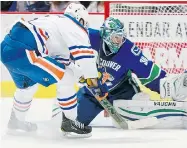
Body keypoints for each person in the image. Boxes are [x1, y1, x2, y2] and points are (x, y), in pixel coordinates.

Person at [75, 17, 187, 129]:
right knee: (74, 121)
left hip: (122, 91)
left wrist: (167, 86)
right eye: (116, 38)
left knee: (141, 110)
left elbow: (148, 73)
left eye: (121, 37)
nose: (119, 41)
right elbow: (69, 39)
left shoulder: (129, 50)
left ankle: (185, 116)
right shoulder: (88, 37)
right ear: (106, 35)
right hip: (93, 92)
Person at [0, 3, 108, 138]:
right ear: (81, 19)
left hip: (7, 49)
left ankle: (16, 123)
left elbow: (61, 64)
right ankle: (70, 122)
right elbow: (85, 58)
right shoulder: (73, 26)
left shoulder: (54, 23)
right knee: (66, 77)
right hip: (26, 50)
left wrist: (83, 77)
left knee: (27, 87)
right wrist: (95, 83)